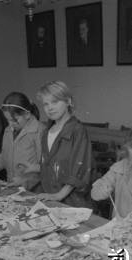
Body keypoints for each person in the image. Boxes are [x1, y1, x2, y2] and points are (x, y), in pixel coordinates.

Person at [19, 81, 95, 209]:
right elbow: (55, 165)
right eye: (46, 104)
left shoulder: (77, 130)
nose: (50, 108)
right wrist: (34, 167)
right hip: (51, 200)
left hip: (73, 203)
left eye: (55, 102)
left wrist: (59, 196)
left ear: (68, 101)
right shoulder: (48, 131)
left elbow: (79, 170)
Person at [0, 92, 45, 190]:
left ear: (27, 114)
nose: (10, 124)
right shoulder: (8, 131)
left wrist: (22, 181)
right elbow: (5, 158)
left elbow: (46, 168)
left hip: (35, 192)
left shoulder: (39, 131)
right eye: (7, 120)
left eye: (14, 120)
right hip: (14, 190)